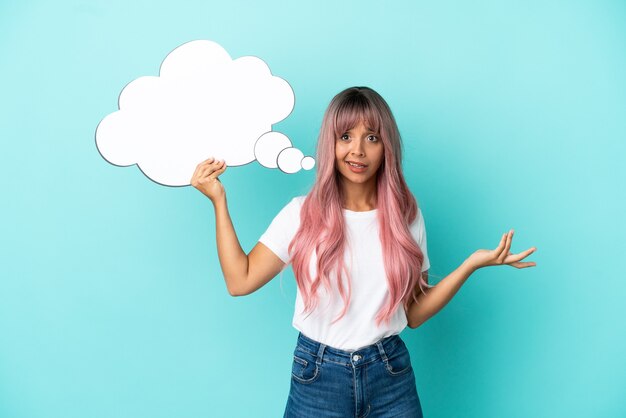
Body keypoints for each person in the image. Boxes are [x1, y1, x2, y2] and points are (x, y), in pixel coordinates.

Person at [190, 86, 537, 417]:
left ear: (386, 147)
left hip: (390, 377)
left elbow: (413, 313)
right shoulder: (301, 213)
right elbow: (240, 280)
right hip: (317, 378)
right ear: (331, 144)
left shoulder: (406, 218)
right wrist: (219, 202)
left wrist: (472, 264)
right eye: (346, 137)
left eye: (371, 138)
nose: (357, 150)